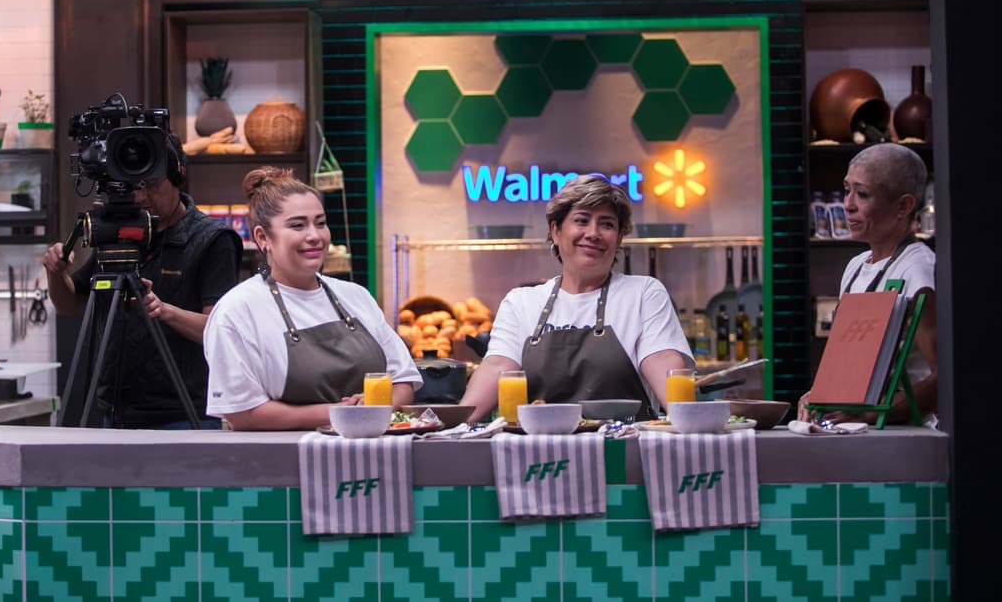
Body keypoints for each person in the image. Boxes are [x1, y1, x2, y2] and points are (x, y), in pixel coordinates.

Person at [43, 132, 241, 429]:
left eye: (151, 183)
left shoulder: (212, 239)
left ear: (177, 175)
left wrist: (160, 309)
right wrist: (56, 273)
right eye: (132, 185)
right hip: (116, 411)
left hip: (183, 415)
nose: (141, 196)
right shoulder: (118, 234)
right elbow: (70, 304)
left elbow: (217, 330)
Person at [203, 167, 422, 431]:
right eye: (298, 225)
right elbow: (243, 414)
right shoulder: (237, 311)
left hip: (370, 458)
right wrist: (340, 412)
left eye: (320, 223)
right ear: (263, 237)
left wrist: (376, 404)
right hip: (280, 462)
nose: (315, 236)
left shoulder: (356, 296)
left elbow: (403, 380)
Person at [461, 175, 691, 423]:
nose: (593, 233)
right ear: (556, 231)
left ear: (619, 238)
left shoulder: (644, 293)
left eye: (607, 224)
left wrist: (690, 421)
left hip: (623, 449)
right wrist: (455, 427)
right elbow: (497, 366)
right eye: (581, 220)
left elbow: (662, 359)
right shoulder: (521, 303)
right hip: (541, 452)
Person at [799, 142, 937, 424]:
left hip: (909, 437)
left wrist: (874, 414)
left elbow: (946, 378)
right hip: (861, 432)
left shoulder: (918, 270)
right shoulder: (854, 267)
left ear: (903, 206)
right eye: (847, 189)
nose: (847, 205)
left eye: (862, 194)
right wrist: (819, 395)